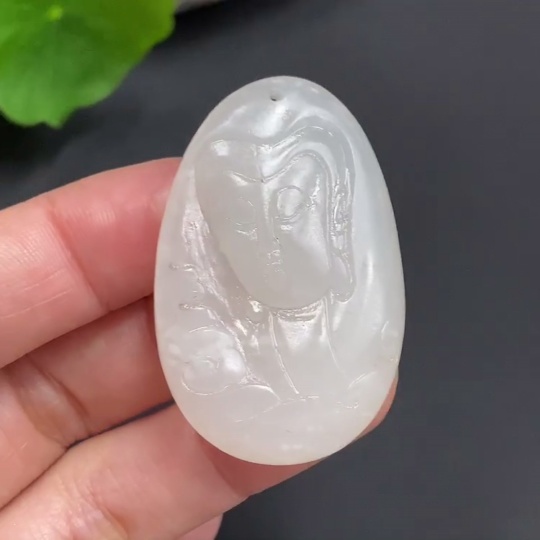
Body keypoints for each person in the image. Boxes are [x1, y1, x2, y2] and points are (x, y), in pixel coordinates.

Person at [0, 158, 396, 539]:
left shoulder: (345, 352)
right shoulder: (229, 360)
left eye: (290, 210)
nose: (269, 244)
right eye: (242, 223)